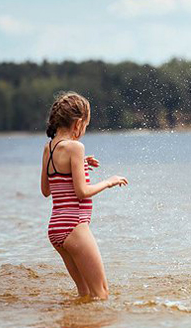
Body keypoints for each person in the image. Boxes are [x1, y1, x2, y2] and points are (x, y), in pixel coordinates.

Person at [40, 92, 128, 300]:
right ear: (78, 123)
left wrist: (80, 164)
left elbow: (46, 190)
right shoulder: (75, 147)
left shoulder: (49, 148)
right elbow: (82, 192)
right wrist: (109, 181)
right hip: (74, 225)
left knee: (86, 293)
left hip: (56, 229)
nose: (84, 132)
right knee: (101, 293)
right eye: (86, 126)